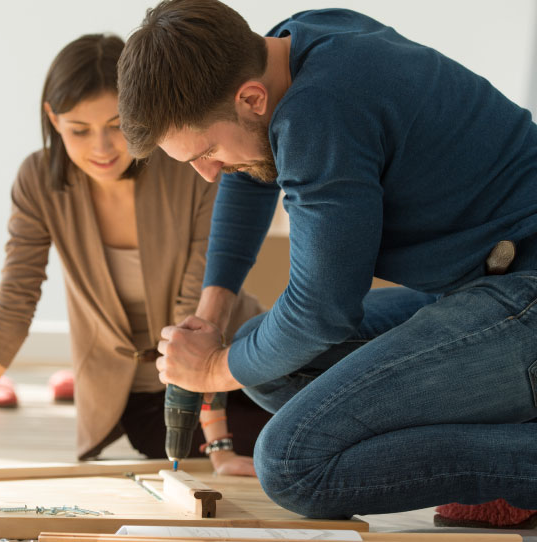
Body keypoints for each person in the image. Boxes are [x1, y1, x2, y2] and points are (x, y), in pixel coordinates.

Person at [116, 0, 537, 520]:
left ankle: (513, 465)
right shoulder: (290, 44)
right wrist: (212, 316)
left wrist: (211, 369)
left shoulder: (319, 111)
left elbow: (321, 309)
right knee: (260, 358)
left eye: (205, 152)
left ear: (251, 98)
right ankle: (504, 423)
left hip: (525, 295)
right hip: (482, 283)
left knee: (294, 465)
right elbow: (248, 183)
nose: (207, 173)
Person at [0, 33, 271, 475]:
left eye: (117, 126)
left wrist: (221, 448)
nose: (101, 148)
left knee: (297, 431)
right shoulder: (38, 180)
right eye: (79, 130)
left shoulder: (189, 166)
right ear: (52, 119)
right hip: (147, 401)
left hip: (239, 364)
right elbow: (11, 309)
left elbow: (195, 318)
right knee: (243, 446)